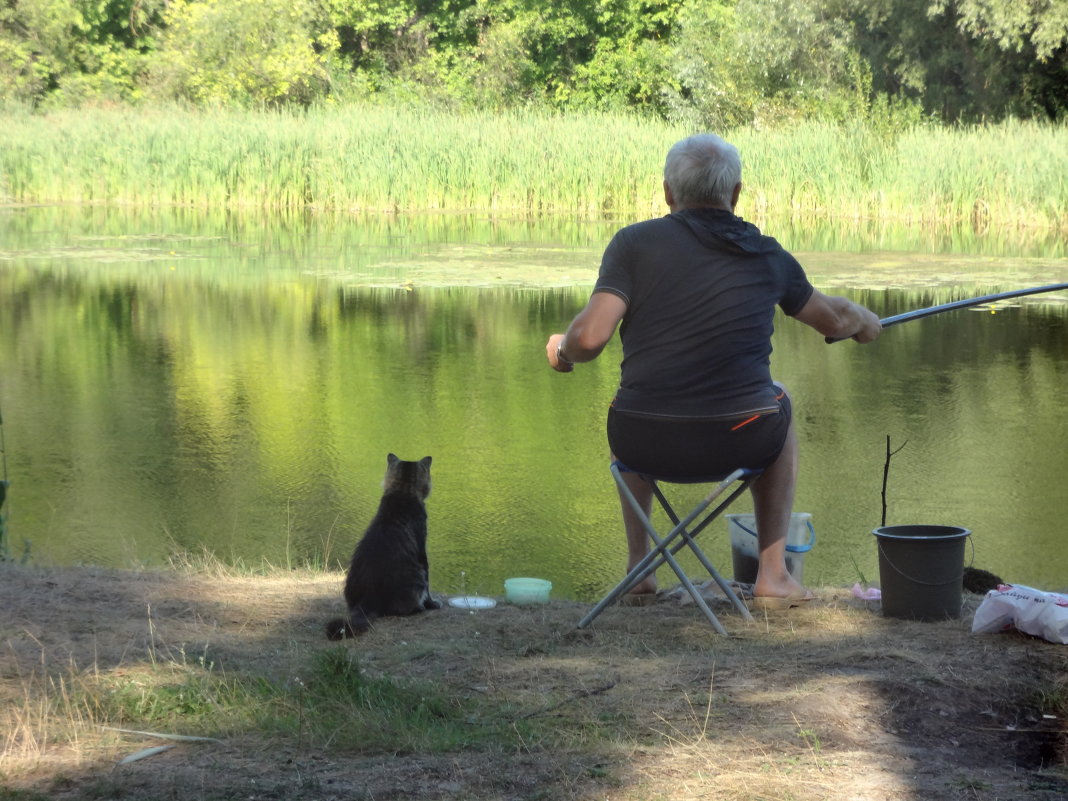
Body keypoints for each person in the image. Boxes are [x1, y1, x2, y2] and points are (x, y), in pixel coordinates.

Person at [545, 133, 882, 609]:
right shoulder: (767, 254)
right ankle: (772, 574)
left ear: (667, 192)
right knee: (777, 396)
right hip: (739, 438)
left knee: (636, 399)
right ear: (736, 193)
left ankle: (641, 569)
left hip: (642, 440)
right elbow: (834, 318)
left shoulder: (634, 244)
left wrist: (561, 350)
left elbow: (588, 340)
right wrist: (865, 322)